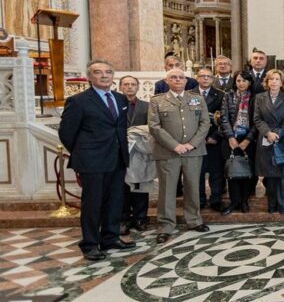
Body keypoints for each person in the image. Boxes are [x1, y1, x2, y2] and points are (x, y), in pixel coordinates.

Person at [59, 60, 133, 260]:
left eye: (108, 72)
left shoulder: (119, 98)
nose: (104, 76)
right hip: (92, 161)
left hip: (117, 159)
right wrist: (85, 152)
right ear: (89, 77)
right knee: (92, 203)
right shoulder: (79, 101)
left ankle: (110, 237)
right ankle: (90, 244)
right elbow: (66, 133)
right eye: (98, 72)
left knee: (115, 200)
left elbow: (120, 128)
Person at [148, 68, 210, 244]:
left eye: (181, 77)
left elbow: (205, 123)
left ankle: (194, 220)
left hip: (193, 151)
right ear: (166, 81)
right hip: (168, 152)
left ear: (186, 81)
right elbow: (154, 126)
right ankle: (166, 225)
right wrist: (175, 145)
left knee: (193, 186)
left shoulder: (197, 99)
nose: (177, 80)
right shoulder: (157, 101)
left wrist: (192, 144)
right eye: (173, 77)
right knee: (167, 190)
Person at [253, 69, 284, 214]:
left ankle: (283, 203)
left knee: (283, 174)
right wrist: (267, 133)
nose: (274, 82)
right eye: (271, 79)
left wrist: (277, 134)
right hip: (266, 137)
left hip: (282, 137)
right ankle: (272, 204)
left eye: (277, 79)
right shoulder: (259, 98)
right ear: (267, 82)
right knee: (270, 174)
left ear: (282, 82)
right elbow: (257, 119)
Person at [219, 71, 256, 215]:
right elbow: (224, 118)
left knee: (246, 170)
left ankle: (244, 200)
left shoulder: (255, 98)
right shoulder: (228, 96)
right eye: (239, 80)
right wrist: (230, 137)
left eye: (245, 81)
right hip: (231, 139)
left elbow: (257, 120)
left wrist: (248, 139)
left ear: (250, 82)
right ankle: (234, 201)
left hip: (248, 138)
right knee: (233, 171)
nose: (241, 83)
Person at [119, 75, 151, 235]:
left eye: (133, 84)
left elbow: (152, 127)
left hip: (140, 151)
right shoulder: (115, 105)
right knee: (122, 186)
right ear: (120, 87)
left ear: (138, 87)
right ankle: (124, 218)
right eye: (126, 84)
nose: (130, 87)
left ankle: (140, 217)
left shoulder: (146, 106)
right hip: (119, 151)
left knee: (140, 185)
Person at [192, 68, 225, 211]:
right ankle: (199, 200)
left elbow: (224, 118)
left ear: (213, 79)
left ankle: (216, 200)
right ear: (197, 78)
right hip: (194, 141)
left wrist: (214, 136)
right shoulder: (189, 95)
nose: (205, 79)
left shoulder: (221, 95)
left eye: (208, 76)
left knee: (216, 172)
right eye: (202, 76)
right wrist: (197, 139)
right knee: (197, 172)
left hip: (214, 140)